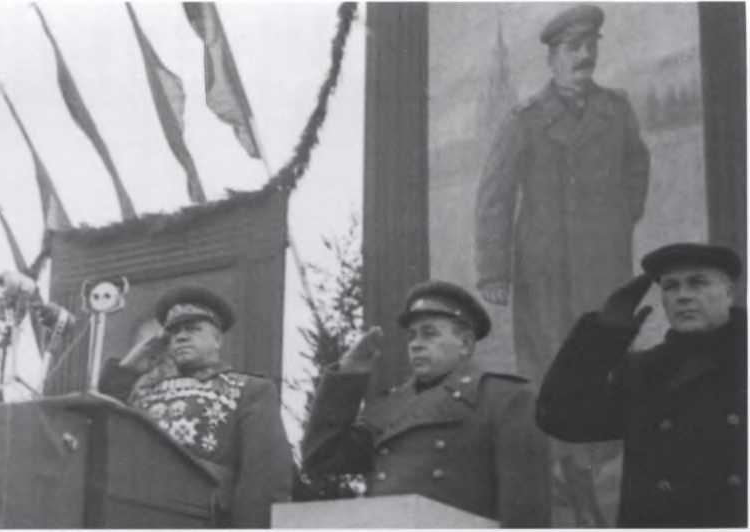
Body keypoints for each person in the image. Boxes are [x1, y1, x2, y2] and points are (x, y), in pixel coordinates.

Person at [474, 4, 650, 523]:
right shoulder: (524, 120)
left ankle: (605, 481)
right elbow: (494, 198)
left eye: (590, 46)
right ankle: (559, 485)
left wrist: (615, 219)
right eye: (574, 47)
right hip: (544, 273)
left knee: (607, 360)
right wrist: (494, 270)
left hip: (604, 266)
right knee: (549, 368)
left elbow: (637, 167)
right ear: (552, 57)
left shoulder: (617, 111)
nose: (585, 56)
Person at [303, 281, 550, 527]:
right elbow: (321, 457)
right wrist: (348, 374)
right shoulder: (390, 407)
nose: (415, 344)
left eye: (429, 333)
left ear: (465, 344)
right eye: (412, 336)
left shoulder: (505, 399)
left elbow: (525, 513)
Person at [536, 242, 747, 527]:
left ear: (729, 293)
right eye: (671, 287)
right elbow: (560, 417)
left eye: (698, 283)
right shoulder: (643, 370)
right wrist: (604, 335)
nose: (683, 296)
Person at [98, 286, 293, 528]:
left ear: (217, 339)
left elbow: (263, 482)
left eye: (192, 329)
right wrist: (132, 363)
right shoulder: (142, 390)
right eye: (173, 332)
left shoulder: (250, 390)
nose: (180, 337)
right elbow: (102, 424)